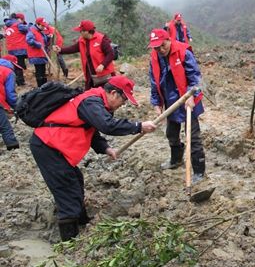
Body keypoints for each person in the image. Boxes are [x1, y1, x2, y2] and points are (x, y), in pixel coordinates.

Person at [29, 76, 157, 241]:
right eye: (123, 100)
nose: (123, 104)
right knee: (66, 188)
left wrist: (105, 148)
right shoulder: (91, 102)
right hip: (47, 146)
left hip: (55, 147)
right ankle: (69, 242)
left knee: (76, 178)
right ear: (112, 93)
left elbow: (91, 129)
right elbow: (107, 125)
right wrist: (138, 126)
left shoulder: (96, 102)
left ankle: (82, 222)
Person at [148, 28, 206, 183]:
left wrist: (191, 95)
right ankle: (176, 160)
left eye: (162, 46)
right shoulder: (154, 58)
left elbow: (195, 78)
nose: (160, 50)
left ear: (168, 40)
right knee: (171, 134)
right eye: (156, 47)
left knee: (193, 137)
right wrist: (156, 103)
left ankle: (199, 171)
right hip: (170, 101)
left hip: (188, 100)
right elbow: (154, 82)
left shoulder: (183, 52)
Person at [54, 20, 116, 89]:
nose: (80, 32)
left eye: (81, 31)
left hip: (104, 75)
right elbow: (73, 48)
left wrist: (102, 65)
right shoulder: (82, 40)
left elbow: (110, 54)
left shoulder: (101, 40)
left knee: (105, 94)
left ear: (87, 31)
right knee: (88, 94)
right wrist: (60, 50)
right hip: (90, 74)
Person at [0, 55, 21, 150]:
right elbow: (10, 95)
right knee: (5, 126)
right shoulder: (8, 71)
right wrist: (18, 107)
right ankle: (13, 147)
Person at [3, 13, 29, 86]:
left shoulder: (7, 26)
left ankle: (16, 82)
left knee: (15, 65)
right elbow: (28, 29)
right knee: (19, 66)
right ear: (18, 19)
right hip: (19, 49)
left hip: (11, 49)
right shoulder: (18, 25)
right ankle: (20, 82)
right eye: (22, 20)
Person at [25, 17, 50, 87]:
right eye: (42, 26)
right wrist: (37, 44)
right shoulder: (31, 31)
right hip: (36, 55)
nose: (43, 27)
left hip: (42, 54)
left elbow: (43, 40)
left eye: (44, 26)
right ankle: (41, 87)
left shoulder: (40, 32)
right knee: (39, 71)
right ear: (37, 24)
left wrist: (48, 37)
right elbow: (29, 40)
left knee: (43, 71)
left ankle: (45, 86)